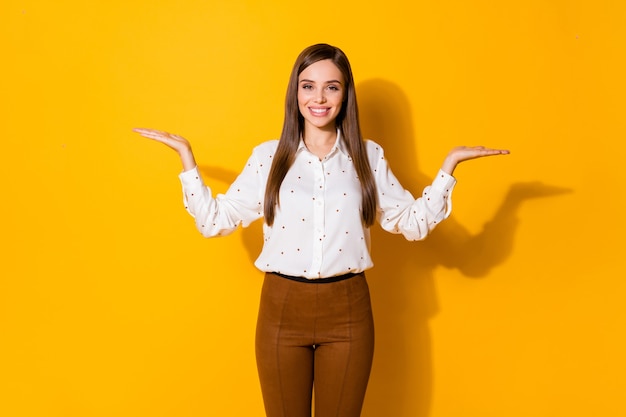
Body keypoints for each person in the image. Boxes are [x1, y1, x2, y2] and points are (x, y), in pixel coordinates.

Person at [133, 43, 509, 417]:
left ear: (346, 95)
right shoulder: (268, 156)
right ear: (295, 92)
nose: (319, 97)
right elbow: (214, 221)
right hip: (281, 309)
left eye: (332, 86)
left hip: (348, 310)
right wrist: (187, 161)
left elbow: (411, 223)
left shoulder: (367, 155)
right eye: (308, 85)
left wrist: (449, 168)